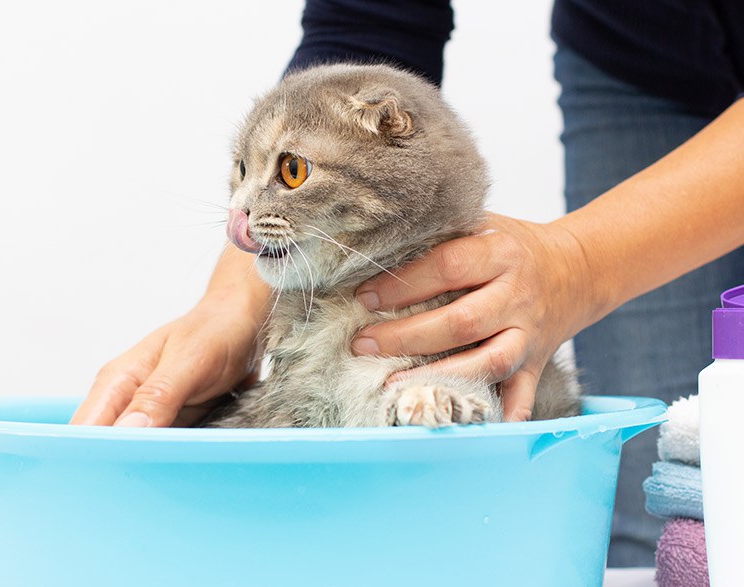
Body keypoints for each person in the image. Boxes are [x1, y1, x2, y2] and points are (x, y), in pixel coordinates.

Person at [72, 0, 744, 566]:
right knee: (659, 511)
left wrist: (577, 262)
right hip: (639, 48)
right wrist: (231, 304)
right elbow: (371, 18)